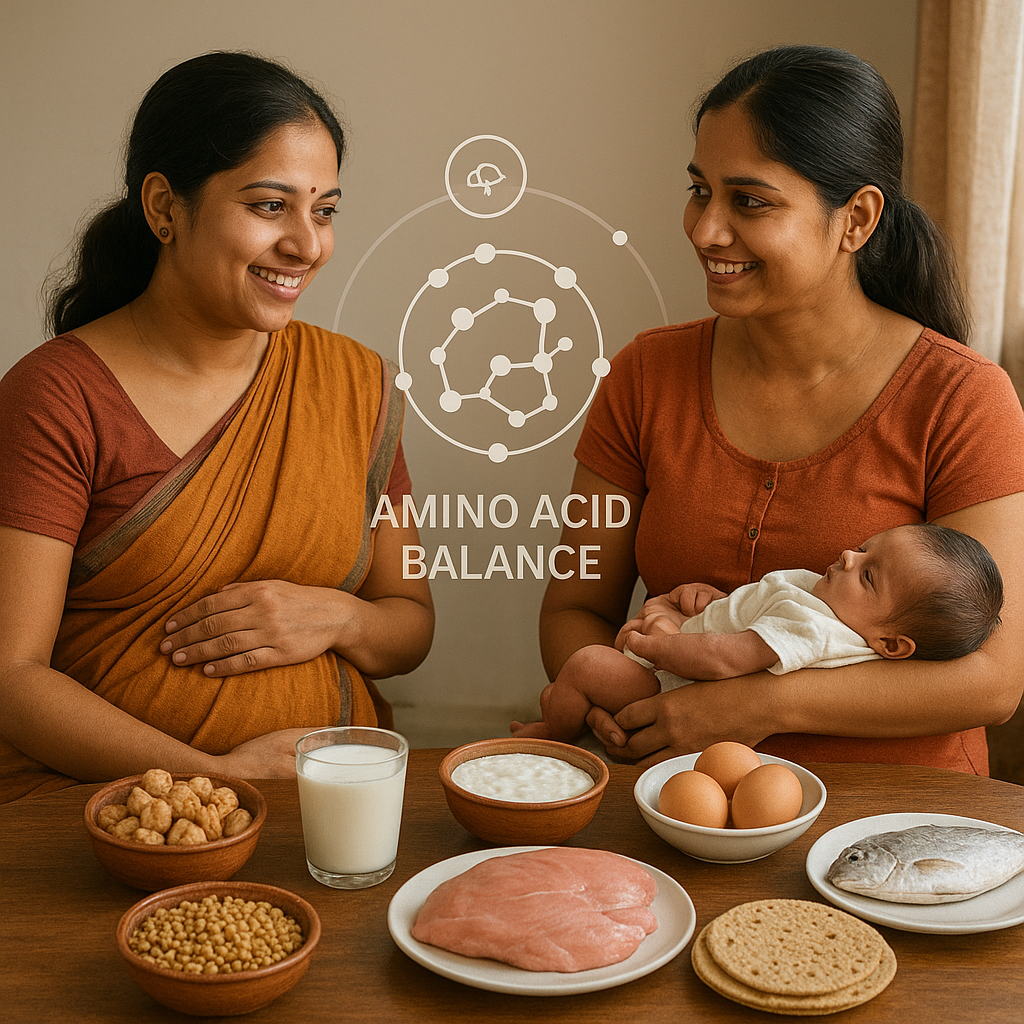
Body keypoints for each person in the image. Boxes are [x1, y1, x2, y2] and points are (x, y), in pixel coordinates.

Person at [538, 44, 1024, 774]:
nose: (705, 230)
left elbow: (993, 681)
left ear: (856, 219)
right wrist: (621, 696)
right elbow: (574, 609)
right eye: (700, 190)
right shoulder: (644, 374)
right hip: (676, 797)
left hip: (895, 822)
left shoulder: (962, 398)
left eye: (750, 201)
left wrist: (757, 704)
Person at [0, 52, 434, 803]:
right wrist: (215, 777)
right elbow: (11, 676)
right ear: (165, 207)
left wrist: (332, 616)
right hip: (114, 816)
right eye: (270, 206)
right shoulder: (57, 397)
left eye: (324, 209)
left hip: (332, 806)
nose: (307, 244)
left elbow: (409, 626)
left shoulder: (356, 387)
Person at [515, 524, 1002, 741]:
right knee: (572, 684)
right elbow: (746, 614)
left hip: (674, 687)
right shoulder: (827, 600)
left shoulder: (817, 628)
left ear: (891, 645)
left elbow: (725, 659)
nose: (850, 558)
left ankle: (556, 734)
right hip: (681, 659)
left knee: (584, 666)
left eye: (869, 575)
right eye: (864, 548)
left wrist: (655, 642)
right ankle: (563, 716)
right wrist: (705, 602)